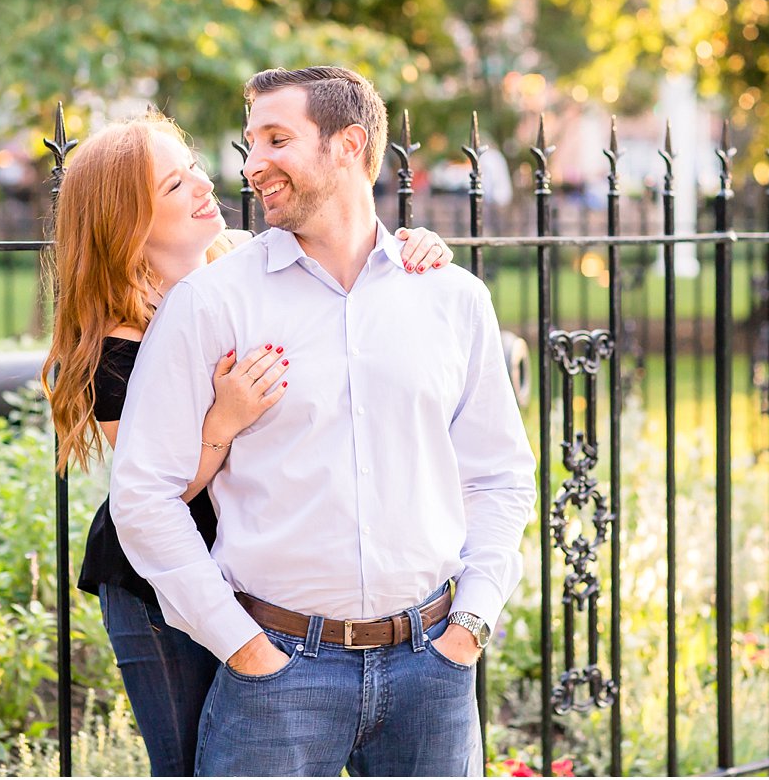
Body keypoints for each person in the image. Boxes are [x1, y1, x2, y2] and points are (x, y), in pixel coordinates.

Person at [110, 67, 537, 777]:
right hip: (278, 676)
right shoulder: (212, 304)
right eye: (250, 142)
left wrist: (470, 625)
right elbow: (142, 494)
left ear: (349, 145)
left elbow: (499, 477)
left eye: (278, 139)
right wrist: (244, 647)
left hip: (432, 667)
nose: (251, 164)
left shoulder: (451, 298)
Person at [41, 111, 455, 777]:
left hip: (268, 567)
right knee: (189, 761)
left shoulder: (245, 272)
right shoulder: (111, 352)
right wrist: (222, 421)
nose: (207, 185)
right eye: (176, 187)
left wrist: (413, 248)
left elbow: (351, 274)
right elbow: (161, 491)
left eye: (195, 168)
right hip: (162, 582)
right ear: (129, 222)